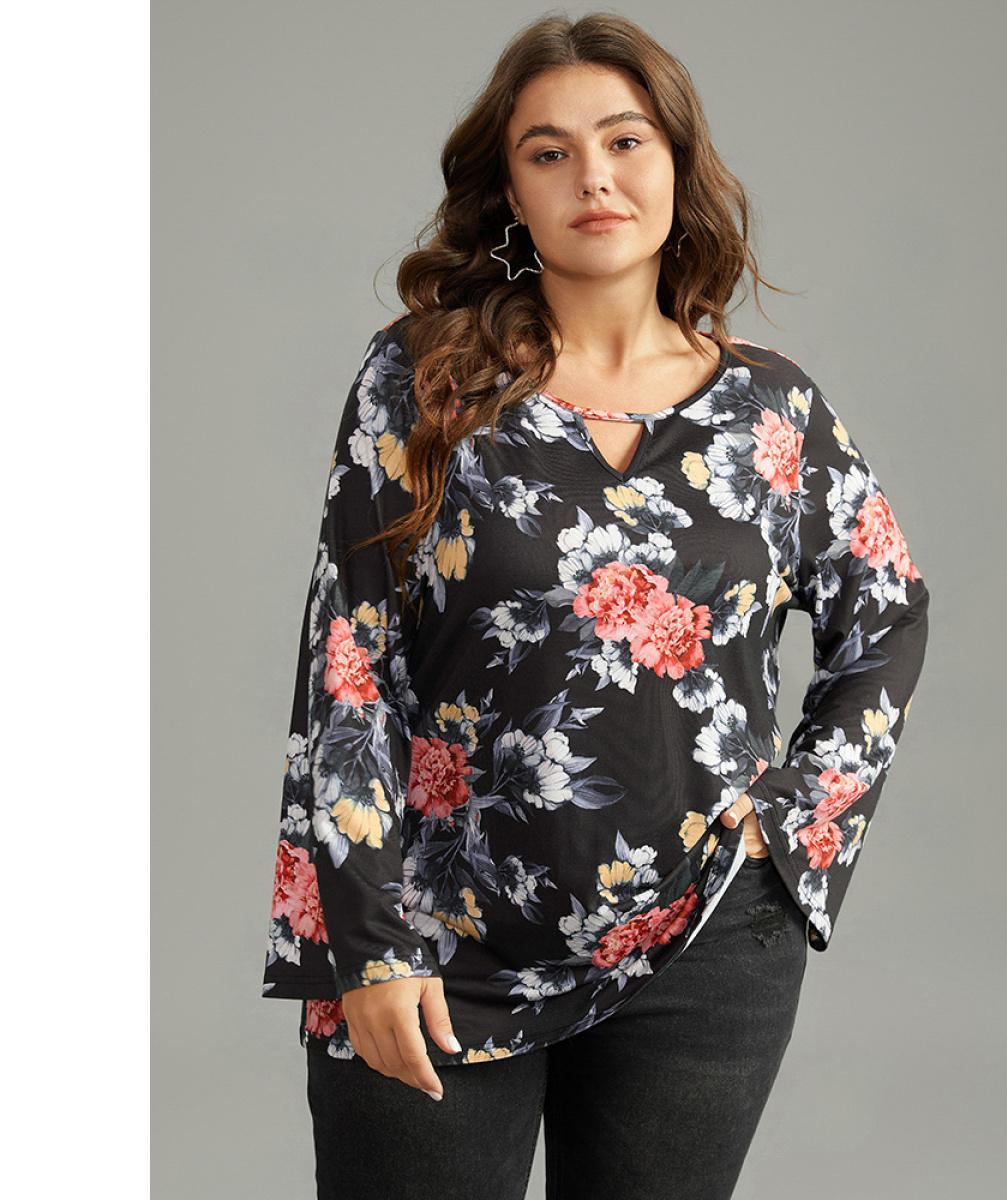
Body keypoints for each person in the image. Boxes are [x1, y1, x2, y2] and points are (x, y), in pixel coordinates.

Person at [261, 12, 931, 1199]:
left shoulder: (774, 414)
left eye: (625, 141)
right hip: (436, 932)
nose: (594, 178)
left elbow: (885, 614)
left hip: (705, 938)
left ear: (677, 164)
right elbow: (350, 662)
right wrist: (365, 943)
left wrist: (790, 828)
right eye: (550, 152)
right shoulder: (423, 383)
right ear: (510, 191)